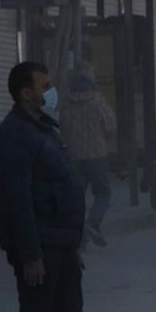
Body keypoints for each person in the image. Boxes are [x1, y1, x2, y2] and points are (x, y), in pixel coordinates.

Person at [0, 61, 126, 312]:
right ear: (26, 93)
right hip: (40, 244)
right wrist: (30, 253)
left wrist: (74, 241)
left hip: (61, 242)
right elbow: (16, 200)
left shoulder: (45, 129)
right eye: (44, 85)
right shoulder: (14, 135)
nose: (50, 90)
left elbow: (64, 185)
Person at [58, 67, 116, 248]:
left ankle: (80, 239)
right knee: (103, 192)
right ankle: (93, 223)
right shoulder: (97, 100)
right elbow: (110, 125)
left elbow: (62, 128)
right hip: (96, 154)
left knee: (77, 197)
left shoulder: (65, 103)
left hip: (74, 157)